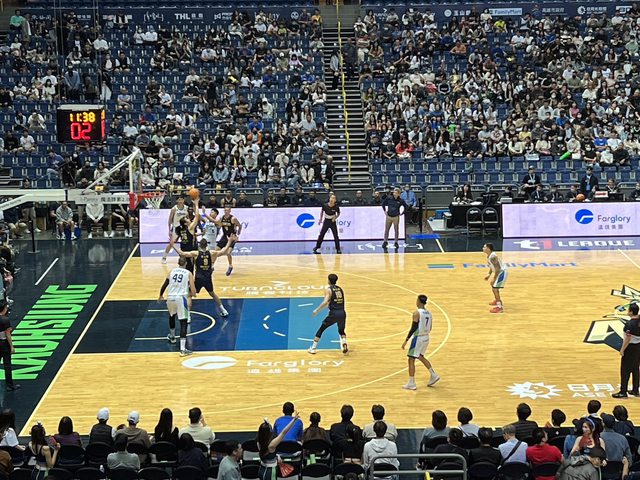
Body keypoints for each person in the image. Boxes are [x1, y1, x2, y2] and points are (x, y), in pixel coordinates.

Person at [173, 237, 237, 318]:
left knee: (189, 295)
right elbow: (223, 251)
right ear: (207, 245)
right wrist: (229, 241)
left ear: (199, 245)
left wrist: (173, 245)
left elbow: (182, 254)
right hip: (208, 278)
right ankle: (223, 310)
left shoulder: (196, 253)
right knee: (213, 294)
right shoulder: (211, 253)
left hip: (199, 278)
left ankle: (188, 316)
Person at [158, 256, 196, 356]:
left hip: (170, 297)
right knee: (183, 322)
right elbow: (193, 290)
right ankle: (182, 349)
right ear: (186, 263)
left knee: (171, 316)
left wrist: (160, 295)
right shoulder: (188, 273)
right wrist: (193, 294)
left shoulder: (171, 271)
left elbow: (165, 284)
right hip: (181, 298)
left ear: (178, 263)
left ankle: (172, 336)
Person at [402, 294, 439, 390]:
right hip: (426, 337)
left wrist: (406, 340)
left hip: (418, 338)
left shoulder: (416, 313)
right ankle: (433, 374)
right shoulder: (429, 313)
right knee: (420, 356)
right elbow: (430, 327)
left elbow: (413, 328)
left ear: (418, 301)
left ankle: (411, 383)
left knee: (411, 359)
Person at [308, 273, 348, 354]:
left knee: (321, 329)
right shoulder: (340, 289)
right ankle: (344, 342)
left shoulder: (328, 289)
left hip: (334, 314)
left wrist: (317, 310)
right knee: (341, 331)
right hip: (342, 313)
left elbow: (325, 302)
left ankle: (313, 348)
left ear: (329, 280)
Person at [257, 412, 300, 480]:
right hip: (270, 471)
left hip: (262, 469)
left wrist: (276, 456)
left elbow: (267, 455)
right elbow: (284, 432)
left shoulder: (259, 442)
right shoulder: (272, 445)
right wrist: (294, 419)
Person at [613, 303, 640, 398]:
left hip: (630, 348)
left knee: (625, 370)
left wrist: (622, 349)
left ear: (631, 312)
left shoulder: (629, 324)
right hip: (638, 347)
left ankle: (623, 391)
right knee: (635, 368)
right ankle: (635, 390)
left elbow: (627, 339)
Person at [161, 196, 189, 264]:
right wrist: (169, 230)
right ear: (177, 201)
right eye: (179, 200)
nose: (180, 201)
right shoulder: (174, 209)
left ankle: (184, 257)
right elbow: (170, 220)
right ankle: (164, 257)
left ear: (184, 200)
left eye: (181, 199)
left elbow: (188, 218)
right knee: (172, 243)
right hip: (176, 227)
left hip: (184, 228)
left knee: (185, 243)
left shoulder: (186, 208)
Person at [216, 206, 242, 276]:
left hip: (232, 237)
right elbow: (219, 226)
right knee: (215, 251)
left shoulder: (233, 218)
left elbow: (239, 226)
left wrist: (238, 233)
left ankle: (230, 266)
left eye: (227, 210)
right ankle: (212, 266)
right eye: (225, 210)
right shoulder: (221, 218)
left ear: (230, 211)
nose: (226, 211)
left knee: (228, 252)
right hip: (224, 236)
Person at [483, 243, 507, 313]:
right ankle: (497, 300)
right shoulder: (489, 256)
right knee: (493, 286)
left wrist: (494, 279)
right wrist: (489, 275)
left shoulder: (493, 257)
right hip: (499, 273)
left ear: (488, 249)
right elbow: (491, 266)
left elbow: (498, 269)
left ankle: (499, 307)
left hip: (501, 273)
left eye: (484, 247)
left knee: (494, 288)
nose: (483, 248)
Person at [0, 300, 18, 391]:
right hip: (4, 344)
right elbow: (7, 334)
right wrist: (11, 346)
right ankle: (9, 385)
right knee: (7, 365)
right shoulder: (5, 320)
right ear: (4, 309)